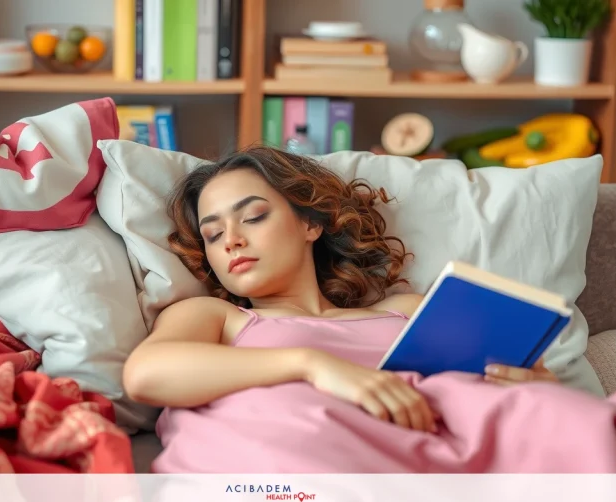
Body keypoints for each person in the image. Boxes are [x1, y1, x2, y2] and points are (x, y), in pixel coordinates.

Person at [122, 146, 559, 473]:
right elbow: (146, 374)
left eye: (252, 217)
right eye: (213, 235)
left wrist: (535, 387)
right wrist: (312, 365)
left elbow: (476, 400)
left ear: (310, 223)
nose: (231, 240)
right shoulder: (215, 317)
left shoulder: (405, 310)